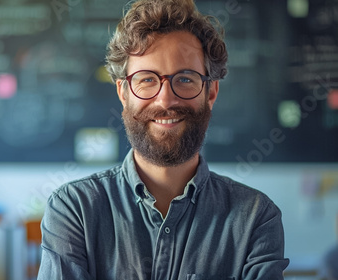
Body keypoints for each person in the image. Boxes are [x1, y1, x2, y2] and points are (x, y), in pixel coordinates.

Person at [38, 0, 289, 279]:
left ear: (211, 92)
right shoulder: (75, 210)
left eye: (185, 79)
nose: (166, 99)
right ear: (124, 93)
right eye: (146, 79)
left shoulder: (255, 218)